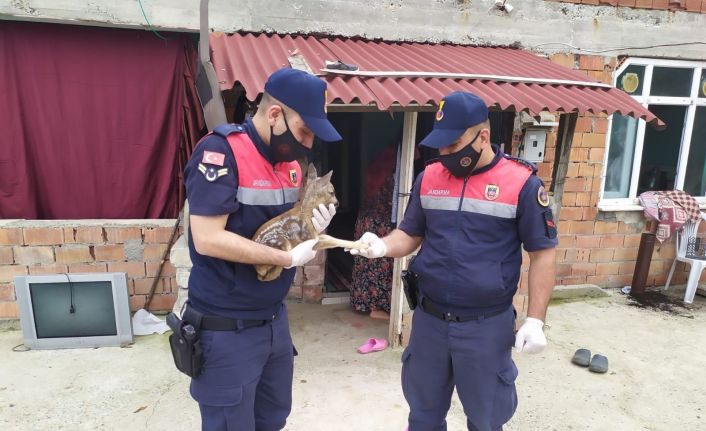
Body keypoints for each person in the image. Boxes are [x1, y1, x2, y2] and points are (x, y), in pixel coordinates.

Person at [348, 91, 557, 431]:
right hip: (429, 321)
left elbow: (543, 253)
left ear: (483, 137)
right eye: (441, 146)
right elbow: (410, 233)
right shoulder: (429, 177)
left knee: (486, 419)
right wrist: (381, 246)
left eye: (454, 144)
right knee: (423, 416)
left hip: (485, 326)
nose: (445, 154)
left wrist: (535, 320)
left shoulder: (521, 183)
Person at [183, 68, 341, 431]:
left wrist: (310, 228)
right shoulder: (221, 152)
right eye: (304, 131)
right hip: (226, 327)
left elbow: (281, 229)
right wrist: (286, 259)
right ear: (274, 114)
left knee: (272, 419)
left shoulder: (291, 168)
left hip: (273, 321)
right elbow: (207, 238)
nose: (308, 143)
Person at [350, 144, 397, 319]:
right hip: (380, 224)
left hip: (366, 221)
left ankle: (365, 304)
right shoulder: (392, 174)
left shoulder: (377, 168)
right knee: (379, 262)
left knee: (366, 262)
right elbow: (392, 201)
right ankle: (377, 309)